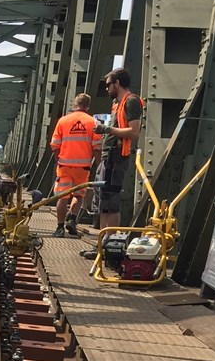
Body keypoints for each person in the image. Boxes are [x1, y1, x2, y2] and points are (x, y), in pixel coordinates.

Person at [92, 68, 144, 231]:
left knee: (111, 201)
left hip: (116, 158)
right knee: (103, 202)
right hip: (108, 158)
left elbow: (134, 132)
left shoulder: (131, 101)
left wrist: (107, 130)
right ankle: (102, 241)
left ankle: (108, 241)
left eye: (109, 85)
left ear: (118, 83)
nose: (107, 89)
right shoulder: (117, 104)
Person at [48, 92, 102, 237]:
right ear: (88, 106)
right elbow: (97, 148)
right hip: (83, 167)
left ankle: (59, 228)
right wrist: (98, 166)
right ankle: (72, 219)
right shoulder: (93, 122)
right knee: (78, 195)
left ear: (74, 104)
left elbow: (54, 145)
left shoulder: (63, 121)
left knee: (62, 196)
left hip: (64, 166)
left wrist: (58, 159)